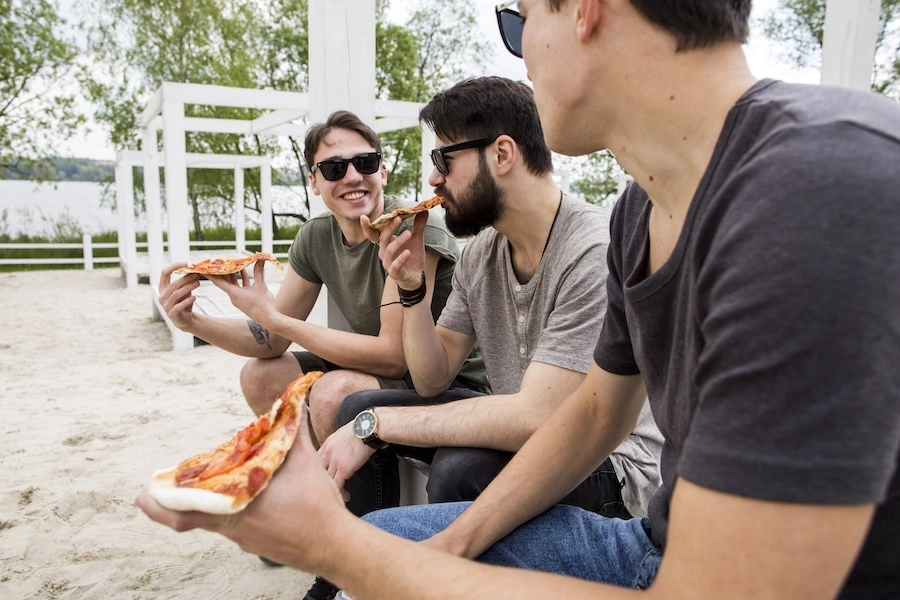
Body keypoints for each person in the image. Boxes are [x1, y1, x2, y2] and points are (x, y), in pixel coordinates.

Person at [138, 1, 900, 598]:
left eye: (518, 18)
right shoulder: (640, 212)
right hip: (658, 542)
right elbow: (593, 414)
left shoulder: (819, 182)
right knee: (384, 559)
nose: (521, 50)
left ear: (583, 10)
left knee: (389, 539)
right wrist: (450, 546)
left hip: (680, 561)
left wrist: (332, 538)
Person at [310, 75, 661, 599]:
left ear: (501, 154)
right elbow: (431, 378)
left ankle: (436, 580)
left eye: (444, 161)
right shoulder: (481, 252)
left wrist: (376, 424)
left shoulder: (591, 250)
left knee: (460, 466)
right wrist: (412, 292)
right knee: (355, 402)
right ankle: (353, 572)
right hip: (520, 427)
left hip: (610, 467)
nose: (431, 179)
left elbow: (538, 419)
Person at [158, 109, 486, 442]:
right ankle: (315, 478)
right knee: (260, 376)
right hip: (391, 372)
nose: (353, 177)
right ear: (314, 182)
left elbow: (392, 359)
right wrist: (192, 323)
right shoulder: (315, 237)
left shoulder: (412, 228)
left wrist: (274, 319)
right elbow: (271, 340)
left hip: (448, 379)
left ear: (383, 172)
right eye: (333, 168)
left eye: (366, 163)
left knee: (333, 392)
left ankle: (351, 493)